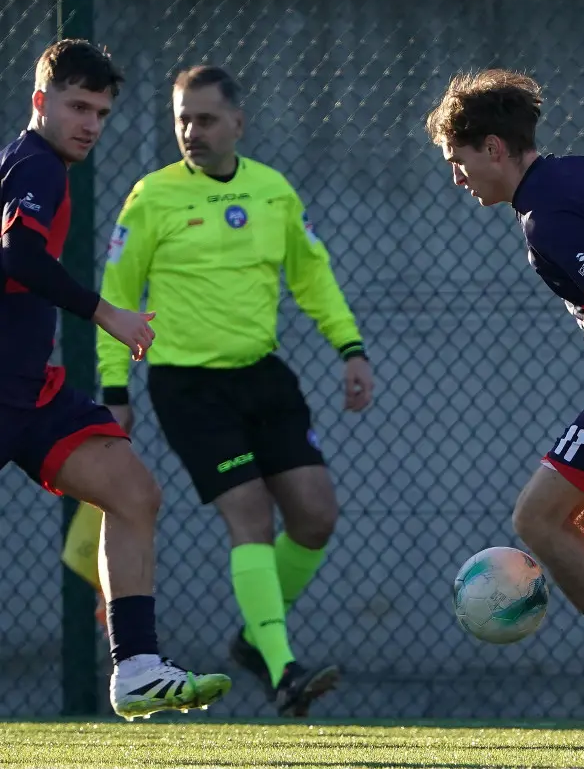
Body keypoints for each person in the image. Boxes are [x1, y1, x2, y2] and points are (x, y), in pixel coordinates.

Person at [97, 65, 374, 717]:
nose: (191, 131)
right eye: (182, 119)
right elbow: (116, 298)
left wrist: (351, 348)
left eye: (206, 118)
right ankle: (283, 669)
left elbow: (313, 278)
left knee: (315, 516)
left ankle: (254, 639)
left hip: (262, 373)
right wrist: (115, 385)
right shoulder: (151, 197)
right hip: (187, 386)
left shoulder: (273, 192)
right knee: (249, 517)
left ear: (239, 125)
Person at [425, 69, 584, 747]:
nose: (458, 178)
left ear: (495, 148)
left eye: (460, 161)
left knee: (540, 514)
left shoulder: (547, 218)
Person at [0, 38, 231, 720]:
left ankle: (136, 667)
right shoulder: (37, 167)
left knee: (133, 492)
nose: (90, 124)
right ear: (40, 102)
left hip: (31, 395)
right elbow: (20, 258)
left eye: (101, 111)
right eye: (77, 107)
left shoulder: (35, 164)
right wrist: (108, 313)